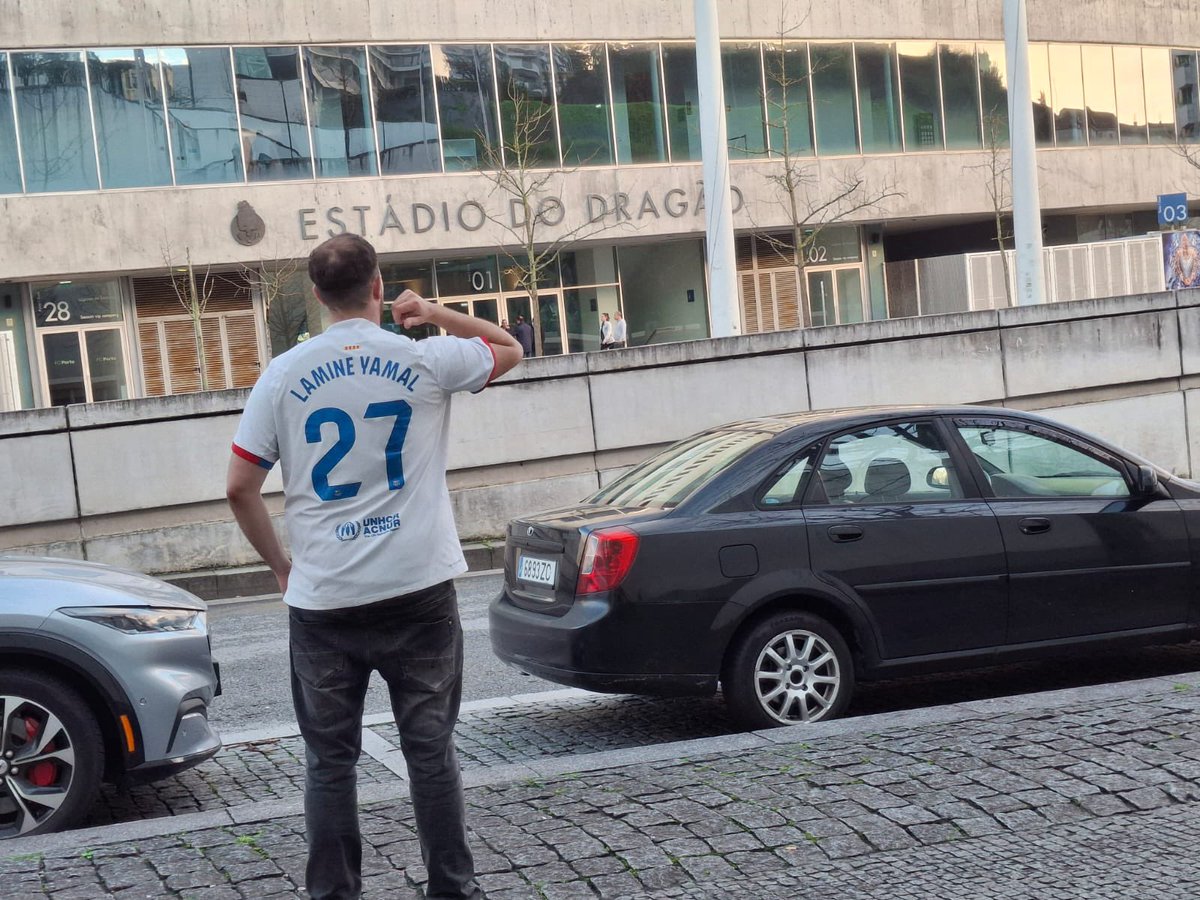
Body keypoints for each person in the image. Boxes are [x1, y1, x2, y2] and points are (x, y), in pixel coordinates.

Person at [225, 233, 522, 900]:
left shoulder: (281, 376)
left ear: (318, 295)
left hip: (325, 598)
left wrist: (280, 567)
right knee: (430, 752)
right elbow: (510, 349)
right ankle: (453, 887)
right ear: (380, 287)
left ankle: (335, 894)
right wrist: (435, 314)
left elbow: (240, 487)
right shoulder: (426, 359)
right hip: (417, 589)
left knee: (330, 765)